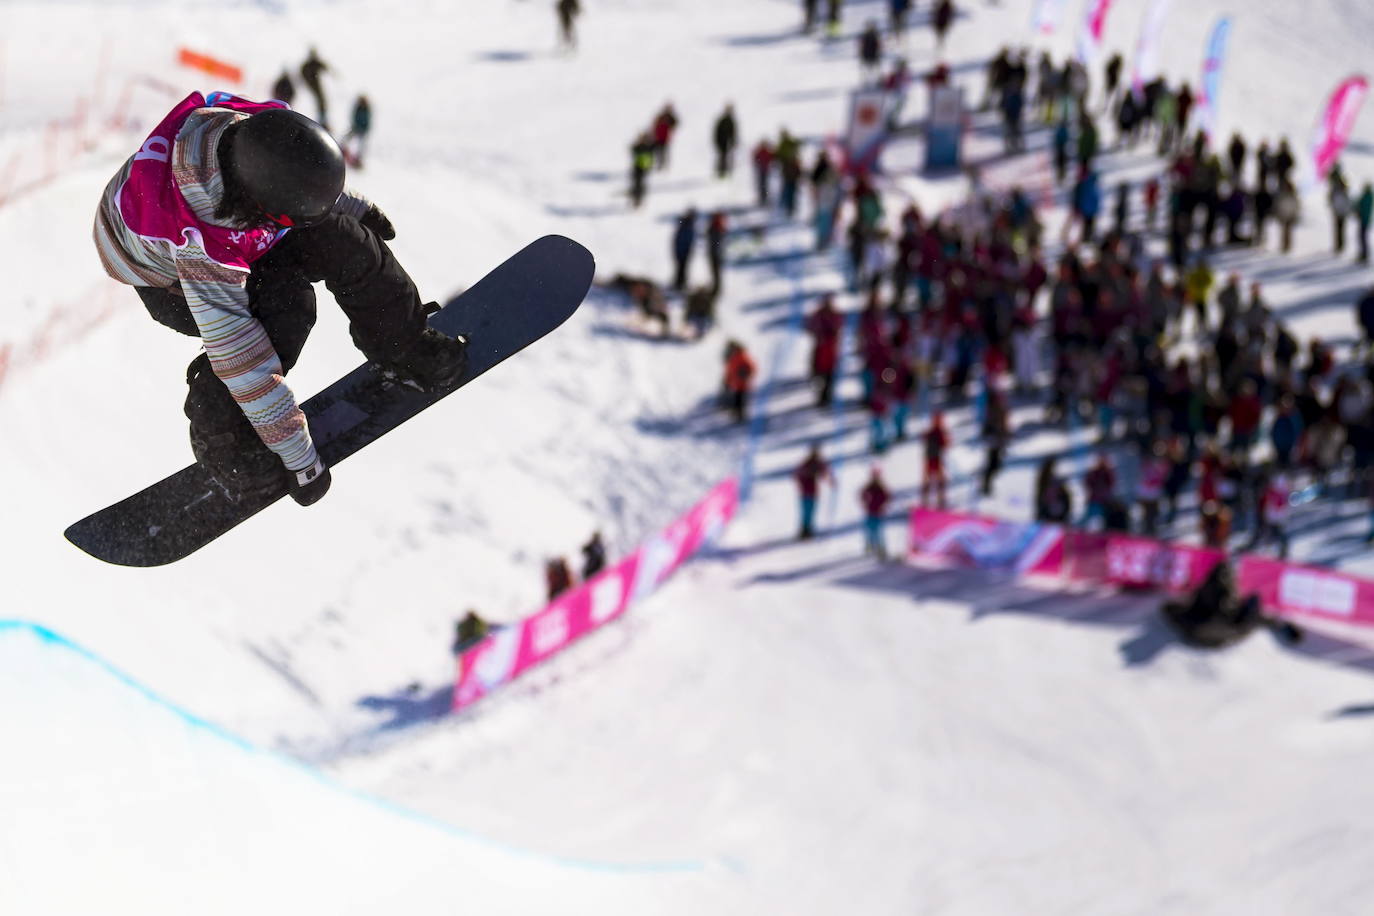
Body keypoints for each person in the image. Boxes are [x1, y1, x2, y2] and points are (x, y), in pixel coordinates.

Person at [92, 92, 466, 505]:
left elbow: (293, 164)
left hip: (227, 216)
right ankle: (221, 429)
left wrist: (341, 202)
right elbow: (244, 361)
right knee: (286, 308)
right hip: (169, 282)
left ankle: (402, 346)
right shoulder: (200, 247)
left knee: (343, 238)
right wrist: (299, 457)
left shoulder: (256, 126)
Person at [794, 445, 834, 539]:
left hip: (812, 491)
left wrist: (830, 480)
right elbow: (798, 474)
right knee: (806, 511)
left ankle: (808, 529)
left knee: (810, 511)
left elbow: (824, 472)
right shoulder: (806, 464)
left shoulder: (817, 464)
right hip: (805, 491)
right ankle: (804, 529)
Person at [860, 466, 892, 559]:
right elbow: (862, 494)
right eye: (874, 476)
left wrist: (884, 506)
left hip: (878, 513)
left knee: (879, 532)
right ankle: (870, 545)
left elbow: (888, 497)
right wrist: (865, 503)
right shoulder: (869, 486)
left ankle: (881, 549)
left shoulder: (882, 487)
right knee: (869, 530)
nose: (875, 478)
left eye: (876, 476)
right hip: (870, 512)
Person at [723, 339, 756, 423]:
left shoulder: (742, 356)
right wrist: (727, 380)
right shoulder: (733, 358)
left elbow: (751, 367)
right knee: (736, 399)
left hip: (742, 384)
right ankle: (737, 415)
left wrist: (745, 374)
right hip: (736, 383)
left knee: (740, 400)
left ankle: (741, 416)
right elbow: (730, 369)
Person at [920, 411, 948, 509]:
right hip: (929, 458)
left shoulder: (940, 432)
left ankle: (940, 502)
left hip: (937, 458)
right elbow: (923, 439)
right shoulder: (932, 431)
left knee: (939, 480)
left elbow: (946, 444)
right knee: (928, 481)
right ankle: (926, 502)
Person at [299, 47, 329, 130]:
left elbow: (325, 67)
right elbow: (303, 72)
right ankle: (321, 121)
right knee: (320, 101)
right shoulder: (309, 65)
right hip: (313, 85)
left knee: (322, 101)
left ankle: (323, 120)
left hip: (315, 85)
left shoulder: (313, 63)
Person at [342, 94, 371, 168]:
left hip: (363, 129)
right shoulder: (358, 108)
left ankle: (359, 158)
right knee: (347, 137)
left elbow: (368, 120)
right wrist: (355, 125)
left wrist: (364, 128)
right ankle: (342, 148)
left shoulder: (367, 109)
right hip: (356, 127)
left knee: (362, 144)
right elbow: (354, 116)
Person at [671, 206, 697, 291]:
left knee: (682, 268)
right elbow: (683, 239)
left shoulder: (686, 224)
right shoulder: (687, 224)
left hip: (683, 251)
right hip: (682, 251)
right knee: (681, 268)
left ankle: (680, 284)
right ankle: (679, 285)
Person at [651, 102, 679, 171]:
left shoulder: (670, 118)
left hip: (665, 138)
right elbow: (654, 125)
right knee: (657, 152)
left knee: (664, 152)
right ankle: (658, 165)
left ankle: (664, 166)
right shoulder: (660, 116)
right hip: (658, 138)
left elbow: (675, 123)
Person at [629, 131, 654, 207]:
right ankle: (636, 197)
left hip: (644, 167)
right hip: (637, 166)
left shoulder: (648, 147)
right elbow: (633, 150)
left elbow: (650, 155)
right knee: (636, 183)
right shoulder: (638, 146)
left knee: (640, 184)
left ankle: (638, 198)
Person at [713, 104, 738, 178]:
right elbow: (717, 132)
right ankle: (721, 172)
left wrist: (733, 141)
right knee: (722, 156)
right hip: (721, 141)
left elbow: (733, 132)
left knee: (726, 156)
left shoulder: (731, 120)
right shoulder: (723, 120)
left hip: (727, 142)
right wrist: (718, 141)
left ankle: (727, 171)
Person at [706, 210, 728, 294]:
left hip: (715, 254)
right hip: (715, 253)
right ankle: (716, 287)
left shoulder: (717, 228)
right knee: (715, 273)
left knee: (716, 273)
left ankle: (717, 289)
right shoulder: (717, 228)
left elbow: (717, 243)